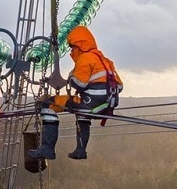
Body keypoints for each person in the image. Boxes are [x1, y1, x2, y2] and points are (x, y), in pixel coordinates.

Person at [29, 26, 123, 160]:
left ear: (80, 46)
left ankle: (47, 148)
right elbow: (119, 86)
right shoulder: (105, 60)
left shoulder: (85, 58)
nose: (71, 51)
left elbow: (79, 83)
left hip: (91, 104)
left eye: (72, 48)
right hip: (107, 106)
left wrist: (71, 77)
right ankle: (81, 150)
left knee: (48, 104)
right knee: (82, 113)